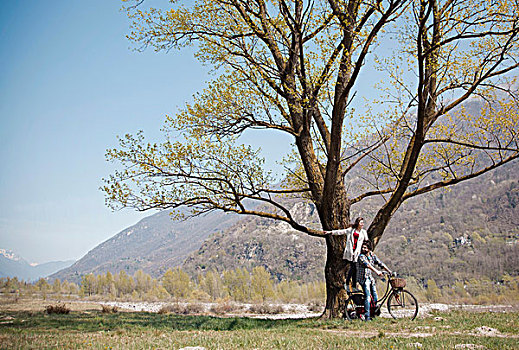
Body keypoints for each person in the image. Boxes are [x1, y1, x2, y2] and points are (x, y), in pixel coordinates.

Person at [327, 217, 368, 292]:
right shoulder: (351, 230)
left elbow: (366, 241)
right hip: (350, 251)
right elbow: (341, 232)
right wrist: (330, 232)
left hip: (357, 252)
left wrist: (368, 250)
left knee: (354, 268)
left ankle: (351, 284)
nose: (362, 224)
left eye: (363, 223)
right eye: (361, 222)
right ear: (357, 223)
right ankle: (350, 284)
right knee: (353, 267)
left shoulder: (363, 232)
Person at [357, 240, 392, 321]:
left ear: (369, 249)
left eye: (365, 248)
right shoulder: (361, 256)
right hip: (364, 279)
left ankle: (373, 314)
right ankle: (367, 316)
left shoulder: (372, 256)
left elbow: (380, 264)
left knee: (375, 297)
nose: (363, 249)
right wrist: (377, 272)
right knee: (368, 297)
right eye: (362, 247)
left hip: (370, 278)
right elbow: (368, 265)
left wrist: (389, 271)